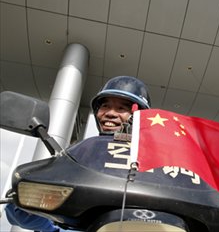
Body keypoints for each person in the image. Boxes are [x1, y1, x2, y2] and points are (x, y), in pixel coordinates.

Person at [5, 76, 151, 232]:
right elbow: (21, 214)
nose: (110, 113)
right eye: (105, 106)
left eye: (121, 108)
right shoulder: (82, 153)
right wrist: (28, 196)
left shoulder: (159, 158)